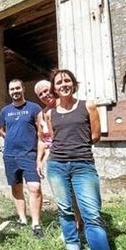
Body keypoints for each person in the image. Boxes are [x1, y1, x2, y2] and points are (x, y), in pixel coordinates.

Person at [45, 69, 116, 250]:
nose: (63, 84)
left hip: (83, 165)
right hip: (56, 165)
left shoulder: (88, 105)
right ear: (55, 88)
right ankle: (73, 249)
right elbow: (54, 136)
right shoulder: (51, 113)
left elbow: (95, 135)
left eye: (67, 80)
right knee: (65, 210)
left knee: (92, 214)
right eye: (59, 82)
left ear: (73, 84)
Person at [0, 79, 44, 238]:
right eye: (12, 89)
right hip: (10, 155)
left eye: (18, 88)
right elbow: (1, 129)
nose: (15, 91)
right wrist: (11, 137)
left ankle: (36, 223)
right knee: (16, 188)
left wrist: (38, 150)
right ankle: (23, 219)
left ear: (23, 89)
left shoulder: (34, 108)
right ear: (9, 92)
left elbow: (41, 130)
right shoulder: (5, 111)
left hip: (29, 154)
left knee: (35, 188)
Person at [34, 80, 83, 232]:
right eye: (40, 93)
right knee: (62, 193)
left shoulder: (68, 108)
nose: (44, 94)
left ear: (54, 89)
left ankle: (81, 223)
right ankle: (72, 227)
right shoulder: (41, 115)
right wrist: (39, 160)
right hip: (54, 157)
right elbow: (42, 139)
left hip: (73, 155)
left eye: (46, 90)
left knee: (78, 192)